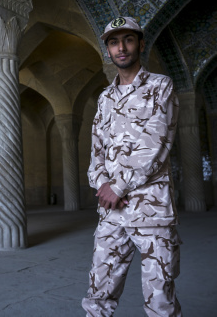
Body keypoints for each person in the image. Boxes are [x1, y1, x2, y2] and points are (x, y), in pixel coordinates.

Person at [82, 17, 182, 317]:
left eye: (127, 40)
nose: (121, 48)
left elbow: (157, 146)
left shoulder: (160, 86)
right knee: (98, 292)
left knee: (159, 298)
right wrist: (102, 185)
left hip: (151, 212)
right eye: (114, 42)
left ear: (140, 43)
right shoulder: (106, 98)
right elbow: (96, 148)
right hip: (111, 213)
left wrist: (118, 187)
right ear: (108, 50)